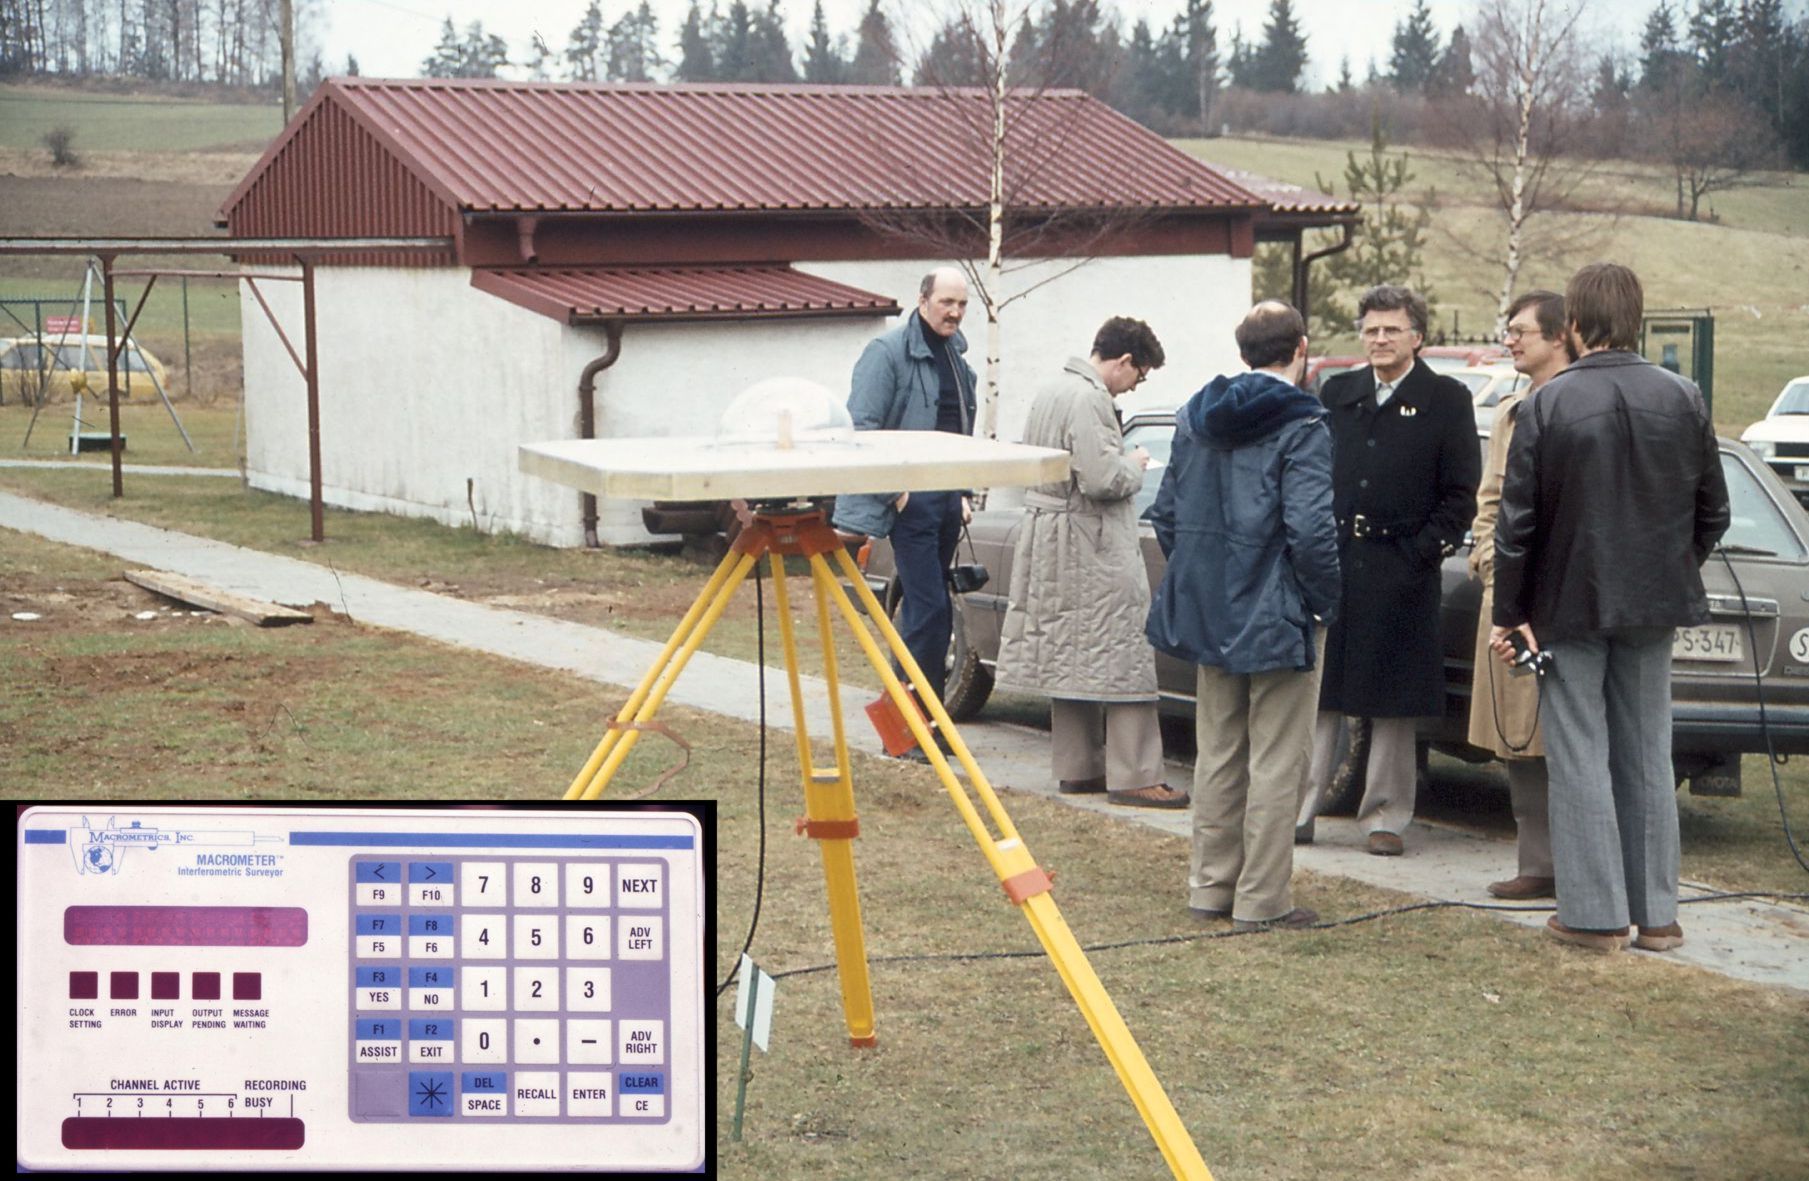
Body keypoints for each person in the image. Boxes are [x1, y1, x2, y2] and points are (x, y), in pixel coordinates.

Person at [1492, 262, 1729, 954]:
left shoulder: (1546, 402)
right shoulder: (1682, 394)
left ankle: (1593, 915)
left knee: (1578, 754)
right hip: (1653, 601)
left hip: (1566, 603)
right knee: (1647, 753)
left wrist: (1510, 612)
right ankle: (1656, 915)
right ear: (1638, 316)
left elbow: (1517, 524)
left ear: (1571, 322)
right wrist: (1671, 565)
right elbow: (1712, 508)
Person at [1146, 301, 1340, 928]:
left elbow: (1168, 514)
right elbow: (1310, 531)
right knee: (1278, 760)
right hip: (1279, 608)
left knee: (1219, 752)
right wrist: (1323, 601)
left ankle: (1210, 887)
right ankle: (1262, 899)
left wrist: (1206, 575)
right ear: (1301, 347)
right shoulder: (1304, 423)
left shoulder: (1194, 417)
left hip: (1213, 606)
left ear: (1244, 350)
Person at [1296, 284, 1480, 856]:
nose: (1379, 339)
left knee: (1394, 702)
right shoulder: (1338, 392)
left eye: (1392, 329)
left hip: (1402, 569)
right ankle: (1299, 810)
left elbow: (1460, 496)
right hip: (1337, 564)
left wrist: (1420, 553)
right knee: (1321, 693)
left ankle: (1384, 817)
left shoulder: (1446, 398)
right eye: (1371, 329)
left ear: (1417, 337)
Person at [996, 317, 1188, 809]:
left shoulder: (1050, 390)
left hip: (1051, 536)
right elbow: (1103, 479)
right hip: (1092, 540)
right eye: (1139, 376)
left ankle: (1078, 766)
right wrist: (1136, 462)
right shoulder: (1091, 398)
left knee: (1071, 652)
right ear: (1124, 361)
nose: (1135, 385)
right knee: (1124, 650)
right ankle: (1135, 773)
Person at [832, 267, 977, 733]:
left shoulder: (957, 356)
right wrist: (896, 493)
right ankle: (907, 730)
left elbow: (958, 430)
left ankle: (922, 728)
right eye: (946, 303)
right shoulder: (886, 354)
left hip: (947, 497)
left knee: (931, 614)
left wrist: (963, 490)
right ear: (922, 301)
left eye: (961, 304)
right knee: (928, 611)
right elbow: (860, 430)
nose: (954, 313)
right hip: (910, 502)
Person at [1466, 290, 1575, 900]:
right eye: (1507, 331)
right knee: (1519, 735)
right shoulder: (1509, 413)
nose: (1509, 340)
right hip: (1509, 600)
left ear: (1559, 336)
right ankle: (1537, 864)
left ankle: (1585, 868)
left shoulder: (1580, 406)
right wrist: (1491, 567)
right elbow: (1490, 505)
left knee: (1571, 736)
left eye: (1521, 331)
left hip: (1566, 603)